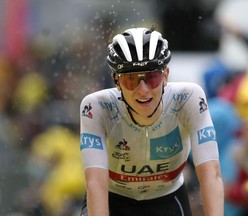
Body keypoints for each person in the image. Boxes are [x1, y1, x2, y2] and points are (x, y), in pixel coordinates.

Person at [79, 26, 224, 216]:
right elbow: (95, 183)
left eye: (152, 77)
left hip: (167, 199)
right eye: (131, 80)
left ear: (166, 76)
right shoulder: (97, 107)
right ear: (116, 81)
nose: (143, 90)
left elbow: (210, 175)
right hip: (113, 198)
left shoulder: (189, 98)